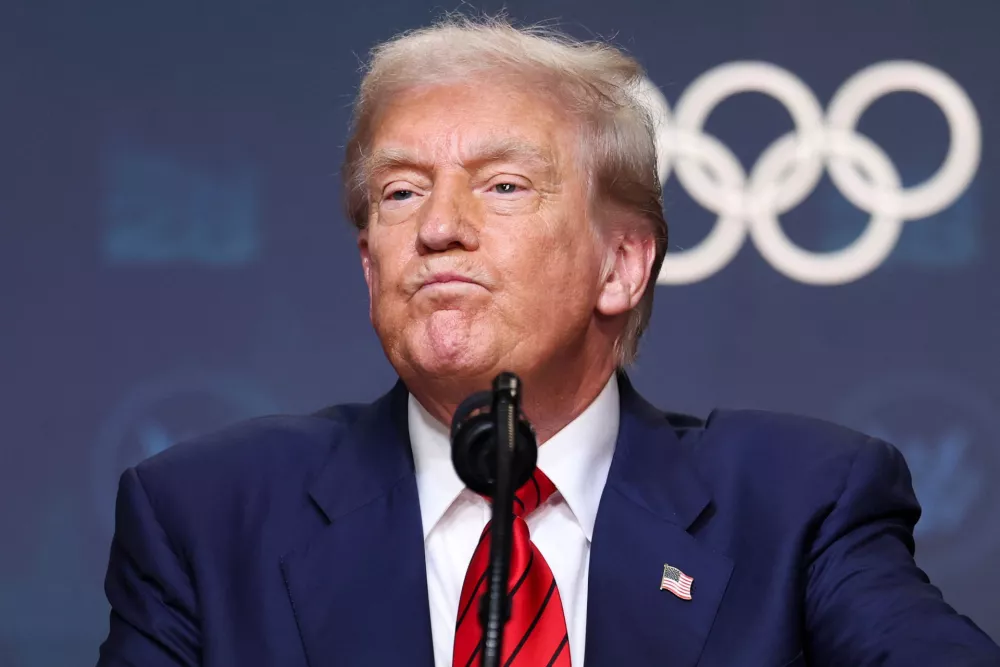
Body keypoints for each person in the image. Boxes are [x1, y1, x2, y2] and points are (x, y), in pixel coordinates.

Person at [96, 16, 1000, 667]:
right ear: (370, 267)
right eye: (402, 192)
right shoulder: (206, 517)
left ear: (622, 264)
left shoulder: (799, 506)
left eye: (503, 186)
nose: (439, 227)